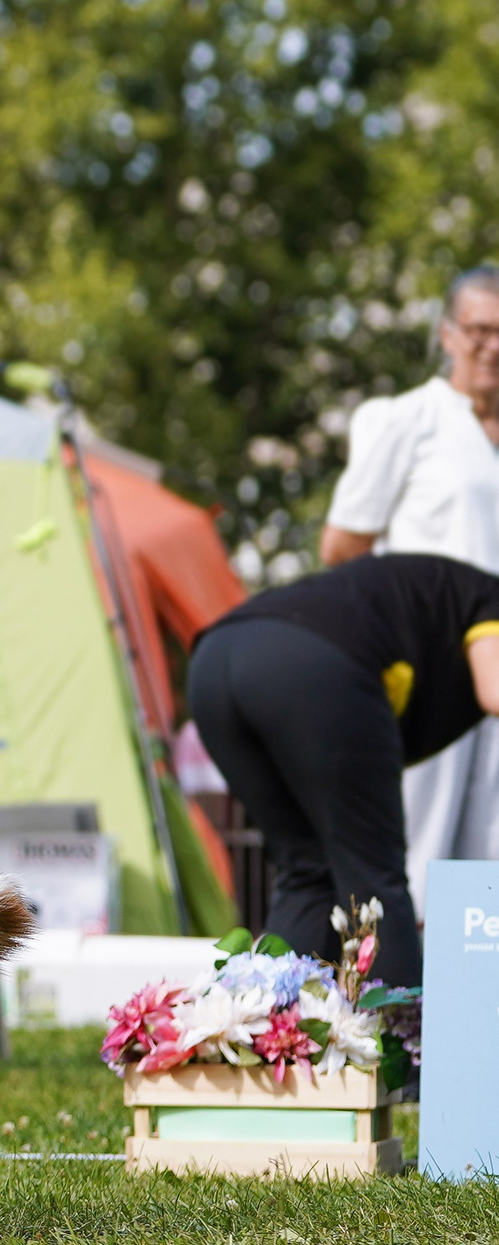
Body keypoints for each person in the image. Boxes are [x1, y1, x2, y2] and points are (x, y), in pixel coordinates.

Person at [183, 553, 499, 988]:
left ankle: (272, 1042)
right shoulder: (488, 597)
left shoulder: (434, 595)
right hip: (310, 664)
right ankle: (398, 1048)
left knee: (305, 870)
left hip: (214, 663)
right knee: (373, 883)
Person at [320, 264, 499, 899]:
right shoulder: (408, 419)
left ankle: (474, 1000)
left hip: (497, 681)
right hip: (426, 673)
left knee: (486, 874)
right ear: (448, 334)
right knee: (419, 856)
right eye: (480, 331)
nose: (494, 347)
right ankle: (393, 999)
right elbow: (343, 546)